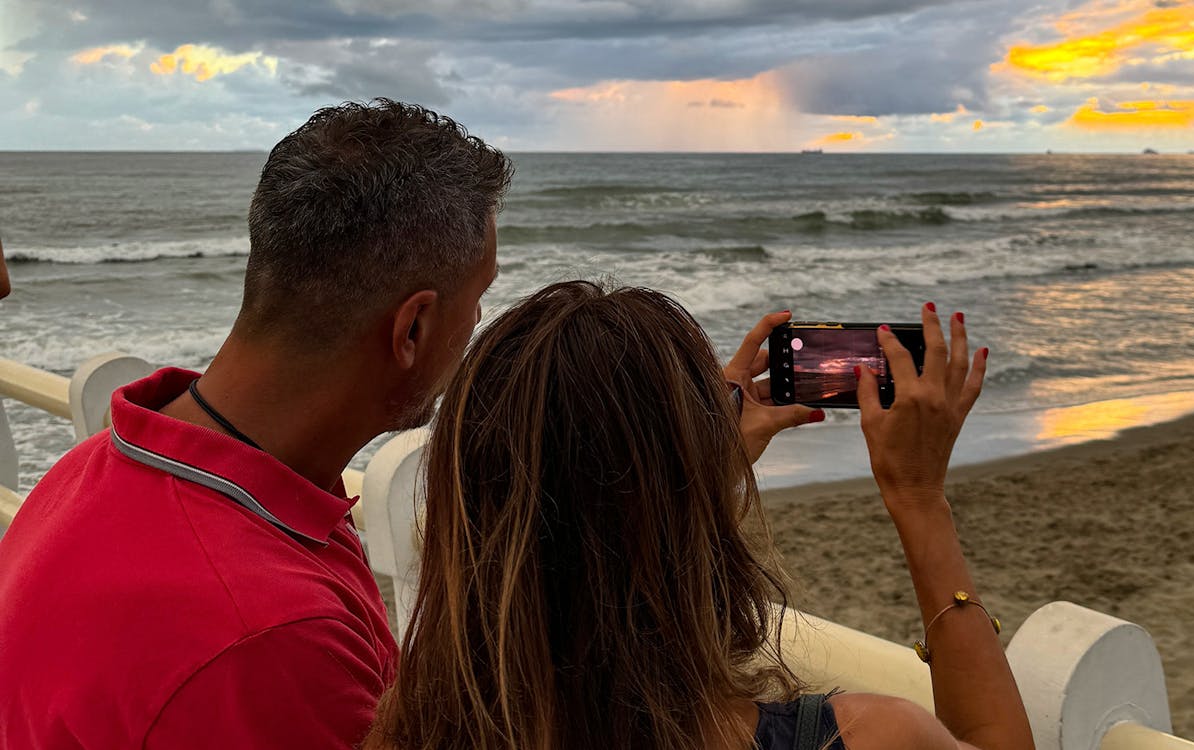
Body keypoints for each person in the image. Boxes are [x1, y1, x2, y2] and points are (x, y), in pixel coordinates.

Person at [0, 99, 816, 748]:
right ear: (413, 329)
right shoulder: (266, 641)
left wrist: (682, 467)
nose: (480, 324)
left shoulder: (113, 465)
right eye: (478, 299)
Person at [365, 282, 1033, 750]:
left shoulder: (410, 727)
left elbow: (558, 548)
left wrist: (693, 475)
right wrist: (918, 498)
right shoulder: (869, 737)